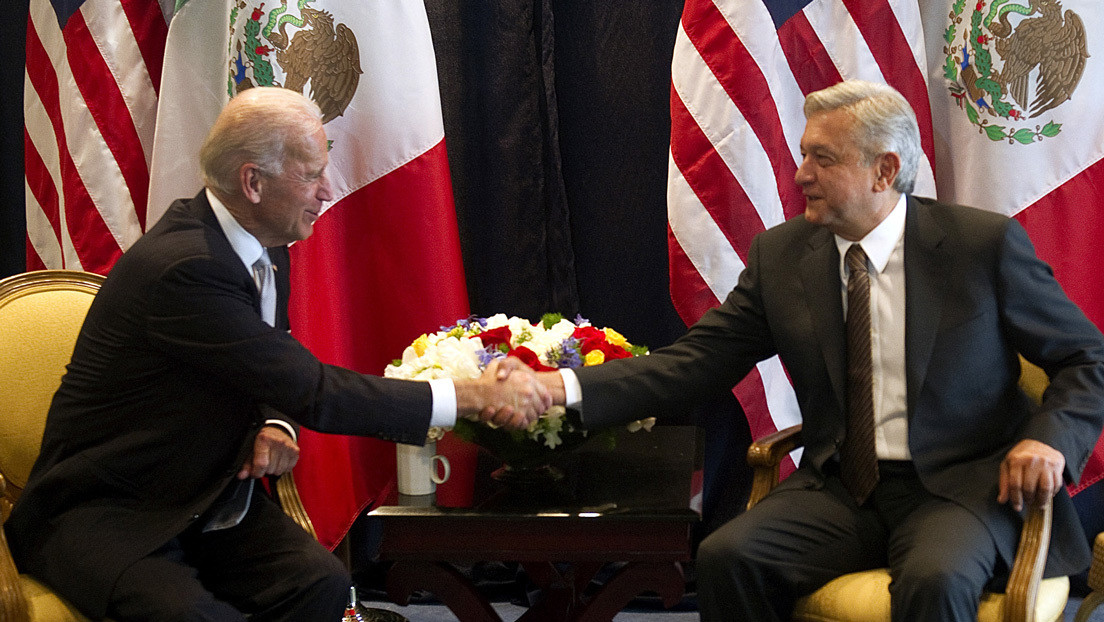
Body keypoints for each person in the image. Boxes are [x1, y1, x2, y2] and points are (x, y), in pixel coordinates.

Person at [526, 80, 1104, 620]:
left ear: (884, 170)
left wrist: (1049, 439)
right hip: (842, 490)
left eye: (822, 159)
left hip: (962, 488)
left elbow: (1086, 359)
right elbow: (693, 364)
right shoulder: (782, 257)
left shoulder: (980, 246)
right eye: (803, 155)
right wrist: (559, 388)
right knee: (728, 557)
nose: (801, 175)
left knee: (935, 580)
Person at [5, 86, 550, 622]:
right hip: (108, 514)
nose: (326, 191)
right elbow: (313, 389)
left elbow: (267, 362)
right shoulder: (187, 268)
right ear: (253, 182)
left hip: (207, 498)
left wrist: (274, 421)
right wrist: (472, 397)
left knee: (322, 586)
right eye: (311, 175)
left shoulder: (262, 243)